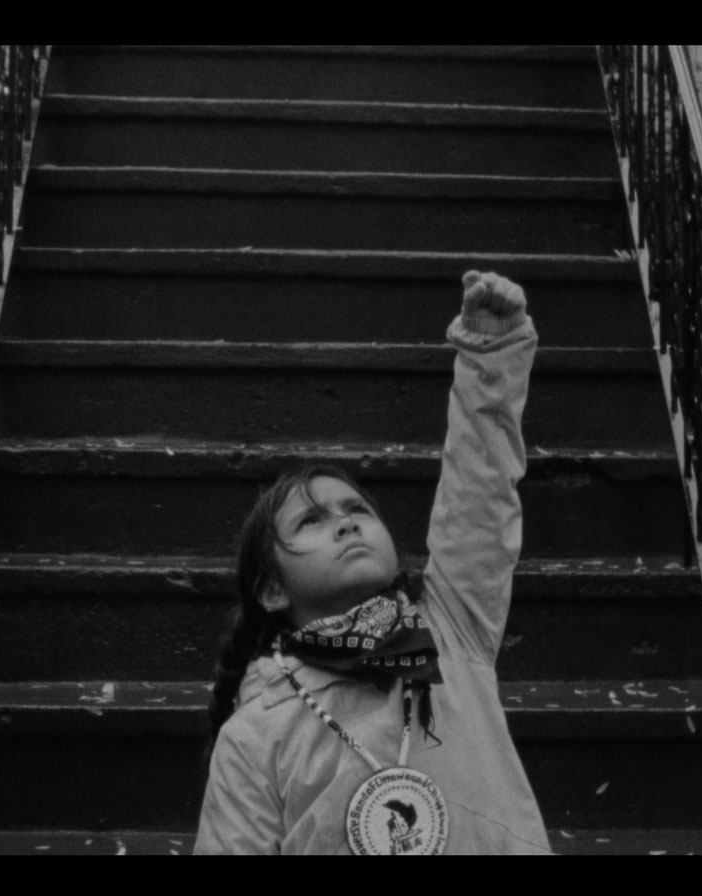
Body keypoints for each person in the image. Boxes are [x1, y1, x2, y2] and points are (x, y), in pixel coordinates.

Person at [193, 270, 550, 855]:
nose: (345, 522)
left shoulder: (451, 630)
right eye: (311, 522)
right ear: (272, 590)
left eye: (356, 508)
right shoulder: (255, 731)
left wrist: (492, 354)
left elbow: (479, 495)